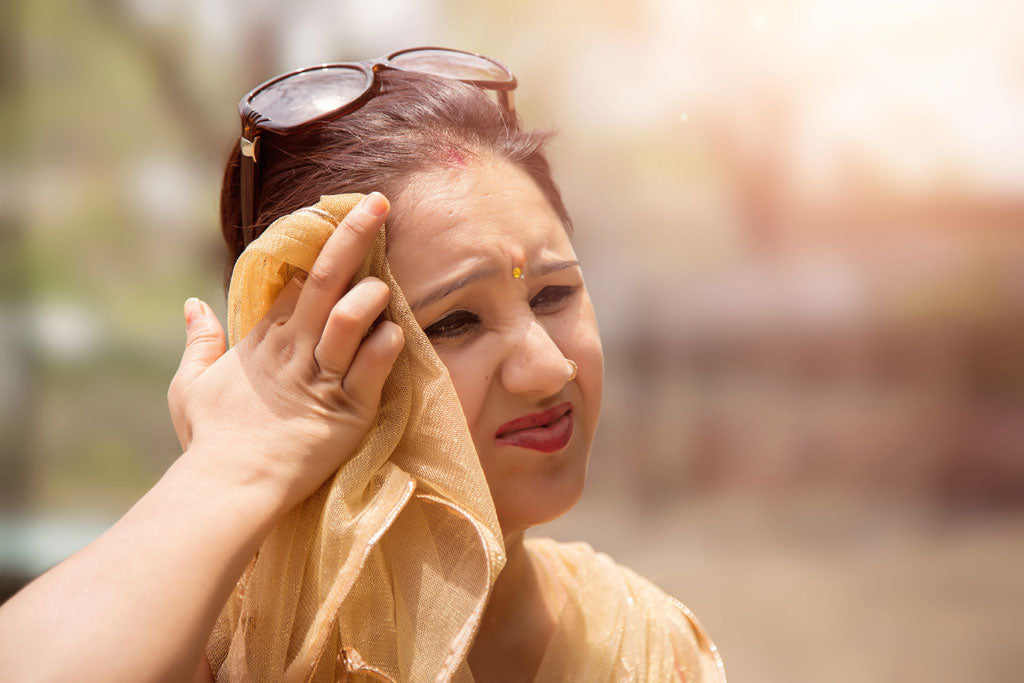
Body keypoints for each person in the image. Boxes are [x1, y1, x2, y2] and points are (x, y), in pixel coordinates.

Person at [0, 48, 724, 681]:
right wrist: (230, 465)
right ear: (307, 351)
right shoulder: (217, 649)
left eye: (554, 294)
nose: (547, 368)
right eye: (456, 321)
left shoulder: (652, 647)